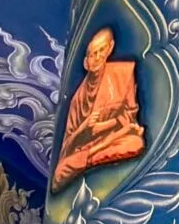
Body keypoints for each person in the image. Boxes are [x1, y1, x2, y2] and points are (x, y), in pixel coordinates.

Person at [53, 26, 145, 187]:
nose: (97, 57)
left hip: (114, 139)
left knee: (135, 142)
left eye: (101, 50)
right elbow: (67, 146)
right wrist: (84, 128)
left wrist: (104, 126)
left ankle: (90, 158)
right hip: (86, 149)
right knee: (59, 172)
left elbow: (130, 114)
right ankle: (90, 157)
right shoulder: (77, 99)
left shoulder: (123, 73)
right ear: (85, 62)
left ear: (110, 49)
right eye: (91, 54)